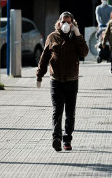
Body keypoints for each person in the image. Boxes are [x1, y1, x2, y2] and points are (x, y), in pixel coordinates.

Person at [36, 11, 89, 152]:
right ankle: (56, 138)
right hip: (56, 81)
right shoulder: (52, 37)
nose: (65, 24)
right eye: (63, 21)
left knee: (70, 113)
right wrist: (39, 75)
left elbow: (84, 52)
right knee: (57, 110)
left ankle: (67, 138)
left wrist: (78, 35)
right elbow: (44, 58)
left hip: (72, 81)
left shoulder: (75, 38)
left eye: (68, 21)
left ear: (72, 23)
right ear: (59, 22)